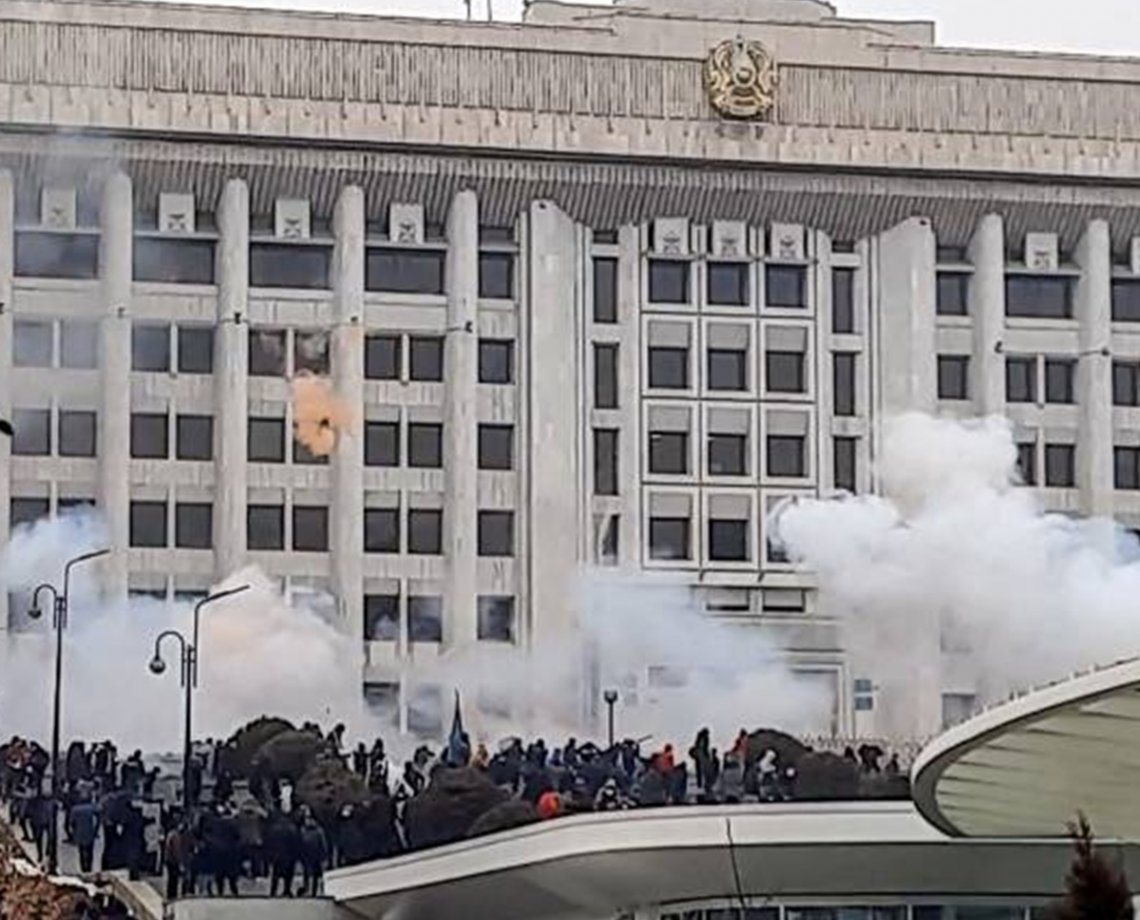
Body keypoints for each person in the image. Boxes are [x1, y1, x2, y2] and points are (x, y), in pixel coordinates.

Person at [298, 809, 329, 897]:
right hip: (309, 855)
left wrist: (324, 856)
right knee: (308, 874)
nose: (307, 821)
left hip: (314, 855)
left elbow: (323, 844)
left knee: (313, 874)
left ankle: (312, 890)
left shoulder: (316, 831)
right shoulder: (304, 830)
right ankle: (309, 889)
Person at [69, 796, 101, 874]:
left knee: (81, 852)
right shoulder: (91, 808)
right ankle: (89, 868)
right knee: (90, 851)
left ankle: (83, 869)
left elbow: (71, 823)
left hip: (79, 832)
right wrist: (96, 830)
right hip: (90, 831)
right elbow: (99, 816)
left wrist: (73, 832)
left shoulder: (75, 809)